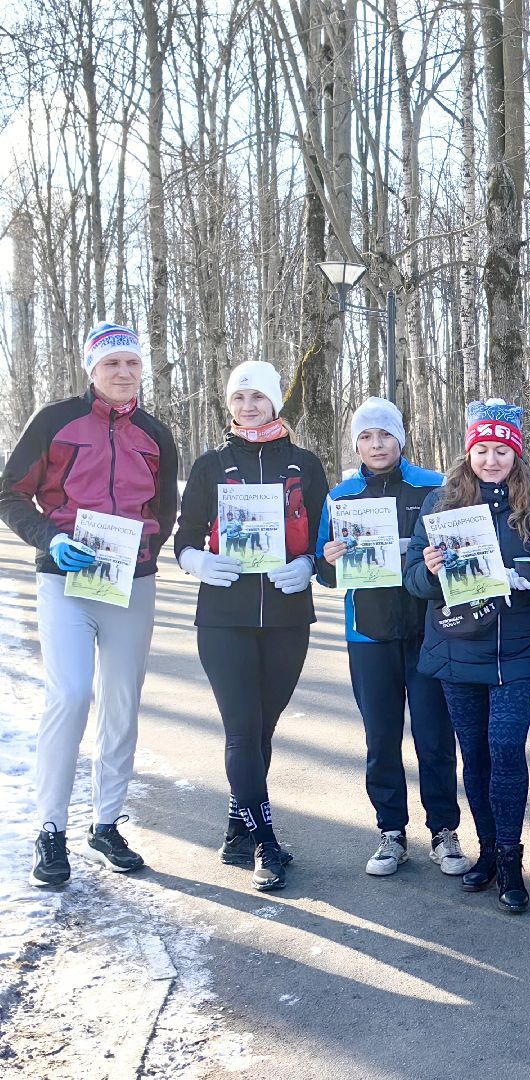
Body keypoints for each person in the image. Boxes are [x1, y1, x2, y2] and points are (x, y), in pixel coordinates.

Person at [1, 323, 178, 886]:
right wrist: (49, 539)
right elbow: (9, 491)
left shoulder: (156, 434)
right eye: (111, 364)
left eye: (131, 363)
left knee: (121, 703)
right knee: (72, 694)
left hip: (131, 584)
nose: (123, 373)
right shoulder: (55, 420)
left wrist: (142, 551)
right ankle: (49, 830)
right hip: (64, 579)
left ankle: (106, 824)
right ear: (91, 369)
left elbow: (165, 506)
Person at [404, 400, 530, 913]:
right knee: (474, 753)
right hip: (458, 646)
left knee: (505, 749)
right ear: (469, 451)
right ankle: (487, 851)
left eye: (502, 450)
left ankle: (512, 859)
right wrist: (431, 570)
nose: (492, 459)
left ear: (517, 455)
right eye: (483, 449)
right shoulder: (440, 504)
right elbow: (412, 580)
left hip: (521, 648)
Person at [173, 360, 330, 892]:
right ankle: (265, 841)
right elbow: (185, 534)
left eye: (258, 397)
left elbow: (326, 539)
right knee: (241, 729)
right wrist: (197, 561)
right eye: (239, 397)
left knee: (262, 728)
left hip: (287, 616)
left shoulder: (305, 464)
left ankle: (237, 828)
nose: (248, 406)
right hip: (223, 617)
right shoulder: (211, 463)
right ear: (228, 404)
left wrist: (309, 564)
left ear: (276, 403)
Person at [316, 397, 466, 878]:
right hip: (369, 635)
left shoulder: (432, 485)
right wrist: (332, 557)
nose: (376, 444)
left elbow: (457, 544)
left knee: (434, 738)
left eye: (384, 435)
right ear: (356, 443)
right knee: (381, 739)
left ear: (400, 438)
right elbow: (323, 571)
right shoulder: (341, 496)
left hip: (428, 632)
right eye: (365, 436)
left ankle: (443, 831)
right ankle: (391, 832)